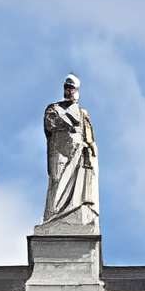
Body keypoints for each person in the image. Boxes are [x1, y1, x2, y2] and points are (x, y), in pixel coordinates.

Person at [42, 75, 100, 225]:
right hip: (59, 152)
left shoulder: (82, 113)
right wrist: (67, 122)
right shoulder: (54, 108)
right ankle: (53, 216)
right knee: (57, 181)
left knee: (78, 187)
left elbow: (89, 137)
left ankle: (76, 210)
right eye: (67, 88)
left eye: (72, 88)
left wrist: (90, 149)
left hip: (78, 153)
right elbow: (50, 123)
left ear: (77, 91)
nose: (69, 91)